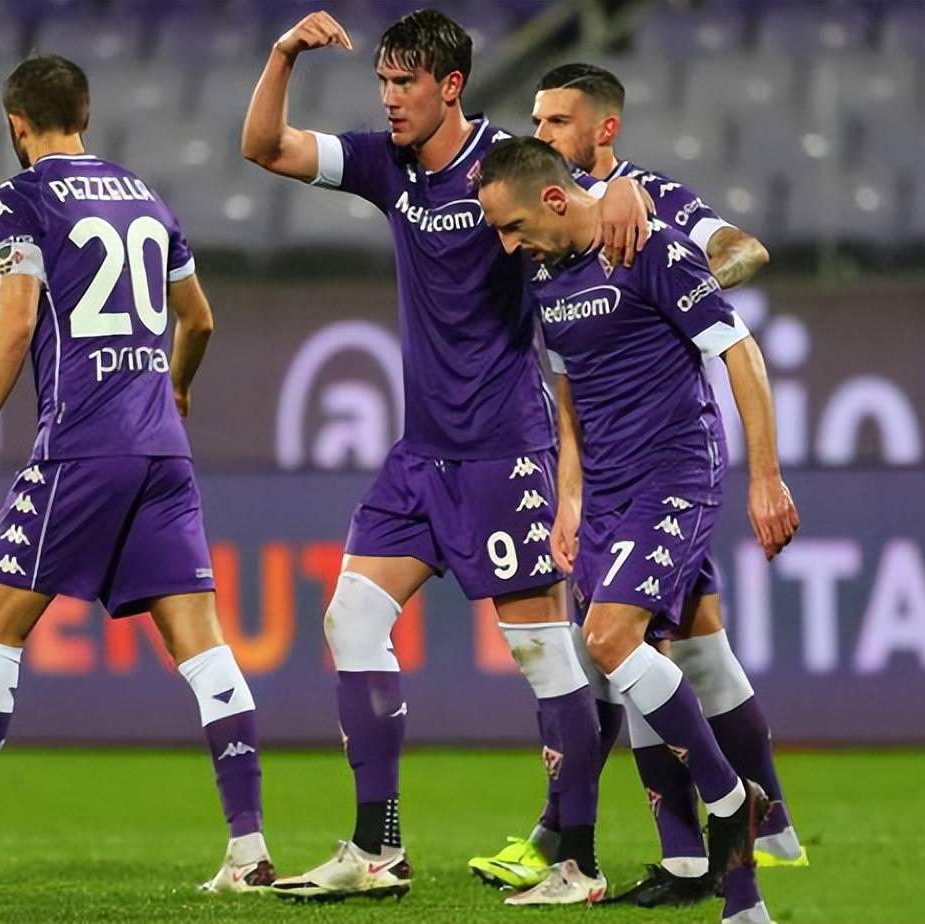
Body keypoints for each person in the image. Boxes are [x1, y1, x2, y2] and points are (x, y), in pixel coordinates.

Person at [241, 9, 650, 905]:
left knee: (545, 656)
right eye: (383, 82)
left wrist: (622, 190)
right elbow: (265, 147)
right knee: (351, 619)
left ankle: (579, 862)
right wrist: (283, 54)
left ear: (450, 86)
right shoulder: (387, 165)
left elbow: (588, 194)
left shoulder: (506, 164)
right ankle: (376, 849)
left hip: (505, 451)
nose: (390, 99)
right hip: (420, 456)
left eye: (406, 83)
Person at [0, 55, 272, 895]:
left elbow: (16, 320)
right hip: (162, 452)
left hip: (82, 445)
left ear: (16, 124)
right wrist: (176, 386)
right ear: (86, 114)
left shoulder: (23, 198)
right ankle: (249, 851)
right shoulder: (147, 197)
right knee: (204, 648)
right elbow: (200, 320)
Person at [470, 63, 804, 907]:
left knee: (614, 641)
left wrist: (765, 476)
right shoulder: (546, 272)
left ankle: (732, 804)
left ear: (553, 199)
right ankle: (710, 870)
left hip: (674, 472)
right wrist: (569, 495)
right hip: (608, 489)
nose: (507, 247)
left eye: (513, 228)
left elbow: (740, 352)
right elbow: (569, 394)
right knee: (674, 654)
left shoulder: (649, 241)